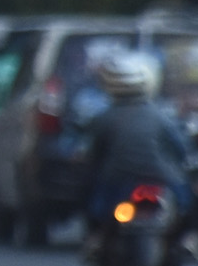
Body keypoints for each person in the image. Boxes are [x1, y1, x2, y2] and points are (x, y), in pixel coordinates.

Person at [80, 50, 191, 211]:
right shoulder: (161, 115)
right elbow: (181, 149)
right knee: (184, 206)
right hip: (163, 179)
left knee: (97, 210)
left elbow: (92, 154)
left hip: (117, 182)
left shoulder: (103, 117)